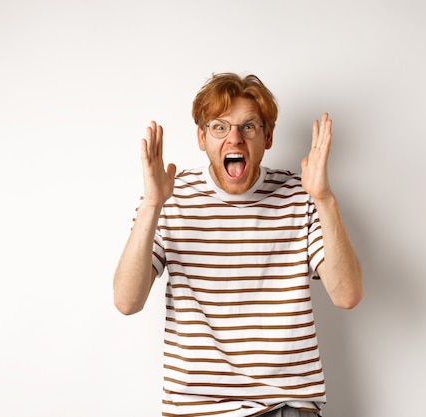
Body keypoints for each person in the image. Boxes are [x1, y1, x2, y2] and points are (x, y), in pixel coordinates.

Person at [113, 73, 362, 417]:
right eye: (219, 127)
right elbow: (127, 301)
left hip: (286, 406)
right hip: (195, 410)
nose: (235, 139)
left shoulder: (300, 195)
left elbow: (346, 295)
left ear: (268, 137)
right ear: (202, 137)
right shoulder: (171, 196)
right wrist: (153, 204)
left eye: (249, 127)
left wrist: (324, 197)